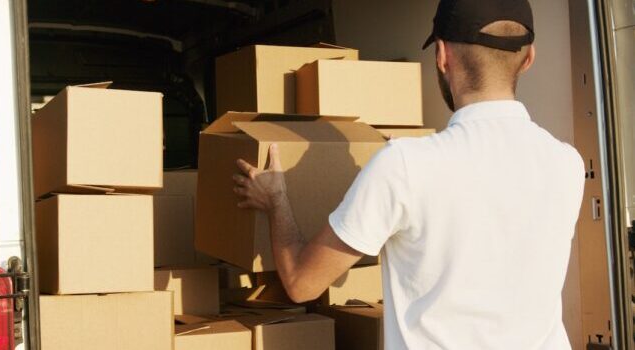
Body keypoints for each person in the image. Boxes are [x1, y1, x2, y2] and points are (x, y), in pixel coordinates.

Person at [231, 0, 585, 348]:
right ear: (528, 58)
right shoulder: (567, 163)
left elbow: (302, 283)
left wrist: (275, 199)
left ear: (442, 55)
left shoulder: (404, 166)